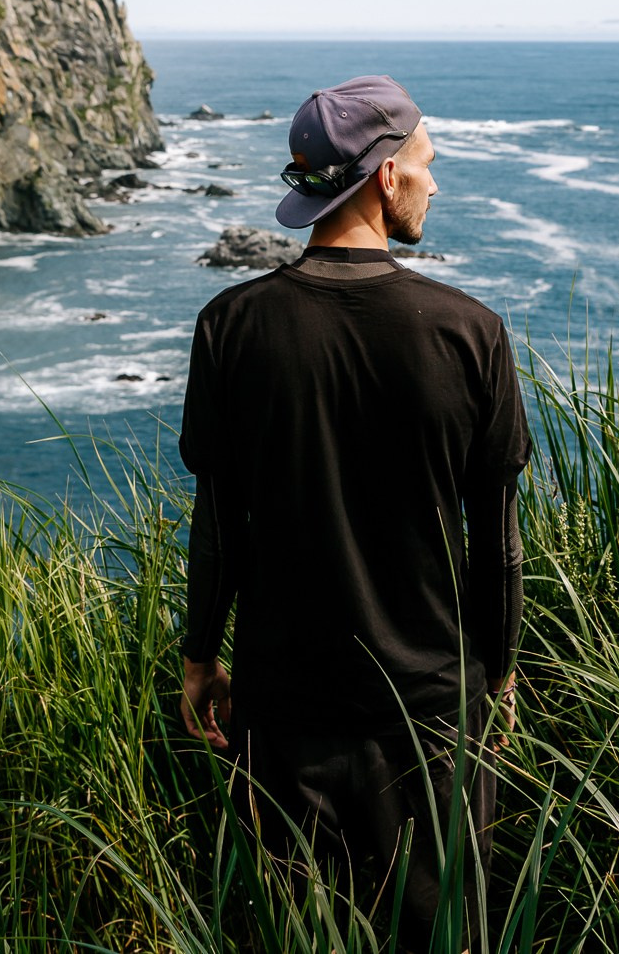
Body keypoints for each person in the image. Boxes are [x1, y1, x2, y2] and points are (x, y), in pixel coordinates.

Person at [177, 74, 531, 948]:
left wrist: (198, 657)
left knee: (289, 934)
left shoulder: (231, 326)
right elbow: (497, 540)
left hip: (281, 710)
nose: (433, 183)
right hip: (431, 714)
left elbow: (218, 521)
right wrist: (502, 669)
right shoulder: (470, 331)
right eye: (424, 164)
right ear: (382, 177)